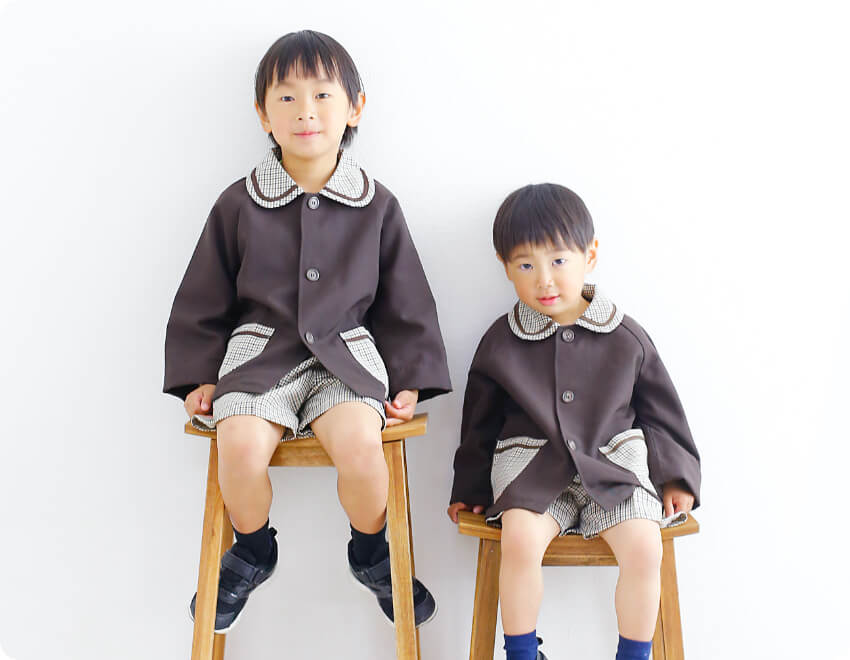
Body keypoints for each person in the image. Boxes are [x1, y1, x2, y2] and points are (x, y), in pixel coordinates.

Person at [164, 30, 452, 632]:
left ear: (355, 107)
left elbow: (405, 301)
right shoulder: (239, 203)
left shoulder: (376, 205)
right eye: (287, 97)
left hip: (346, 360)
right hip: (258, 358)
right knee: (238, 444)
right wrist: (197, 376)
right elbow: (204, 294)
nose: (305, 111)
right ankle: (252, 549)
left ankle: (371, 552)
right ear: (263, 114)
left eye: (322, 95)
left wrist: (410, 381)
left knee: (361, 446)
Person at [448, 183, 700, 660]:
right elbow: (478, 423)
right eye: (526, 265)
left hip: (613, 469)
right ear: (505, 266)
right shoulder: (501, 342)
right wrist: (470, 488)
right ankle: (522, 653)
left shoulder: (625, 336)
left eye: (559, 261)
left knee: (645, 546)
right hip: (531, 473)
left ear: (590, 255)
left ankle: (634, 654)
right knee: (519, 541)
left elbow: (660, 412)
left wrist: (676, 477)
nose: (544, 280)